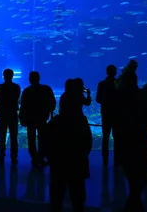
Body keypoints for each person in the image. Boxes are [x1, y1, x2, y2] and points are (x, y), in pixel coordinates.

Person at [46, 83, 92, 212]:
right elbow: (87, 144)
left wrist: (51, 158)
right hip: (78, 163)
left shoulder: (55, 123)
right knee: (77, 196)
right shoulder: (82, 122)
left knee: (56, 196)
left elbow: (48, 143)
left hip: (58, 165)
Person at [114, 59, 147, 212]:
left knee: (130, 170)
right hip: (141, 137)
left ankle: (133, 198)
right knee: (141, 171)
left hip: (127, 137)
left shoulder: (121, 97)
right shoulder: (143, 95)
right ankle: (135, 198)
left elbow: (118, 116)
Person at [19, 71, 56, 167]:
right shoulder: (46, 89)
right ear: (39, 78)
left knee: (31, 138)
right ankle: (40, 157)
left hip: (30, 118)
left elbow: (22, 106)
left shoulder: (27, 91)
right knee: (42, 138)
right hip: (42, 118)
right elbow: (52, 103)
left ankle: (35, 157)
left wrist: (21, 117)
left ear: (30, 79)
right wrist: (49, 112)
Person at [0, 68, 21, 164]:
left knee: (2, 136)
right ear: (12, 75)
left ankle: (1, 155)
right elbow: (17, 98)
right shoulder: (16, 87)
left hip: (2, 114)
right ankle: (14, 157)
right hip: (13, 113)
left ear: (4, 76)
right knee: (14, 136)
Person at [96, 64, 118, 166]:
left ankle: (105, 158)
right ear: (115, 72)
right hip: (117, 113)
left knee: (105, 136)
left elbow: (98, 99)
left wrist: (106, 101)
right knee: (117, 136)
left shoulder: (101, 84)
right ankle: (118, 158)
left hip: (106, 113)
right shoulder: (119, 84)